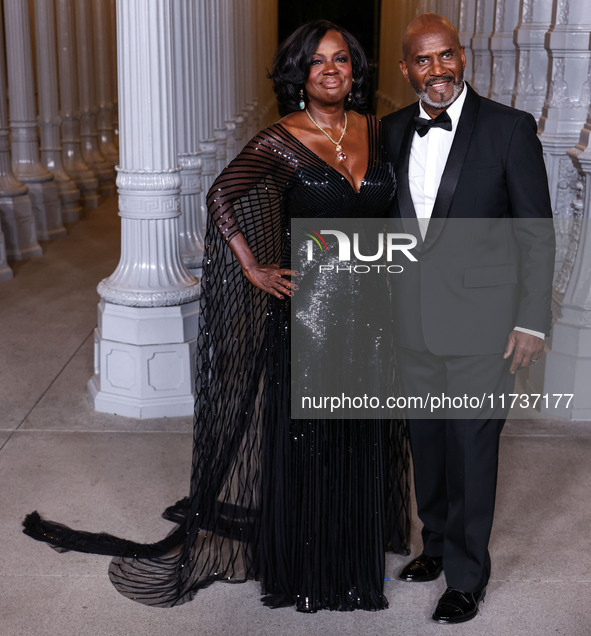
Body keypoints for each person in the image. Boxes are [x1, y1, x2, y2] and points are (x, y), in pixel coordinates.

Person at [23, 20, 410, 612]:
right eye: (317, 61)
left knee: (360, 438)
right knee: (313, 444)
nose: (331, 69)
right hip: (309, 317)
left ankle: (355, 558)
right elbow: (222, 195)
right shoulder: (281, 138)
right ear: (299, 74)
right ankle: (307, 566)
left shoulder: (378, 132)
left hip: (371, 312)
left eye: (341, 59)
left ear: (355, 68)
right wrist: (253, 267)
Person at [381, 13, 555, 624]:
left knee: (472, 446)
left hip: (486, 324)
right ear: (406, 69)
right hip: (412, 321)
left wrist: (532, 322)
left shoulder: (509, 129)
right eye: (422, 60)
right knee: (426, 444)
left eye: (446, 55)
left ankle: (466, 576)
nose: (437, 69)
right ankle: (434, 544)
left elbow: (535, 233)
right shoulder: (392, 130)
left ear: (463, 56)